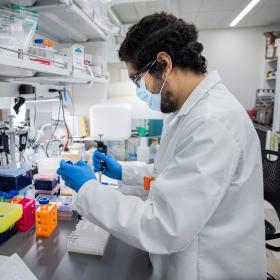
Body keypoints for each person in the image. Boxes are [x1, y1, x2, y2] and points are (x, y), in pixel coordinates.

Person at [57, 12, 266, 280]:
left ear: (164, 63)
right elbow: (171, 176)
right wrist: (124, 173)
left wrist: (89, 189)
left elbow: (163, 226)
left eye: (136, 79)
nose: (138, 90)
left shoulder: (213, 123)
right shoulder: (185, 112)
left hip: (209, 268)